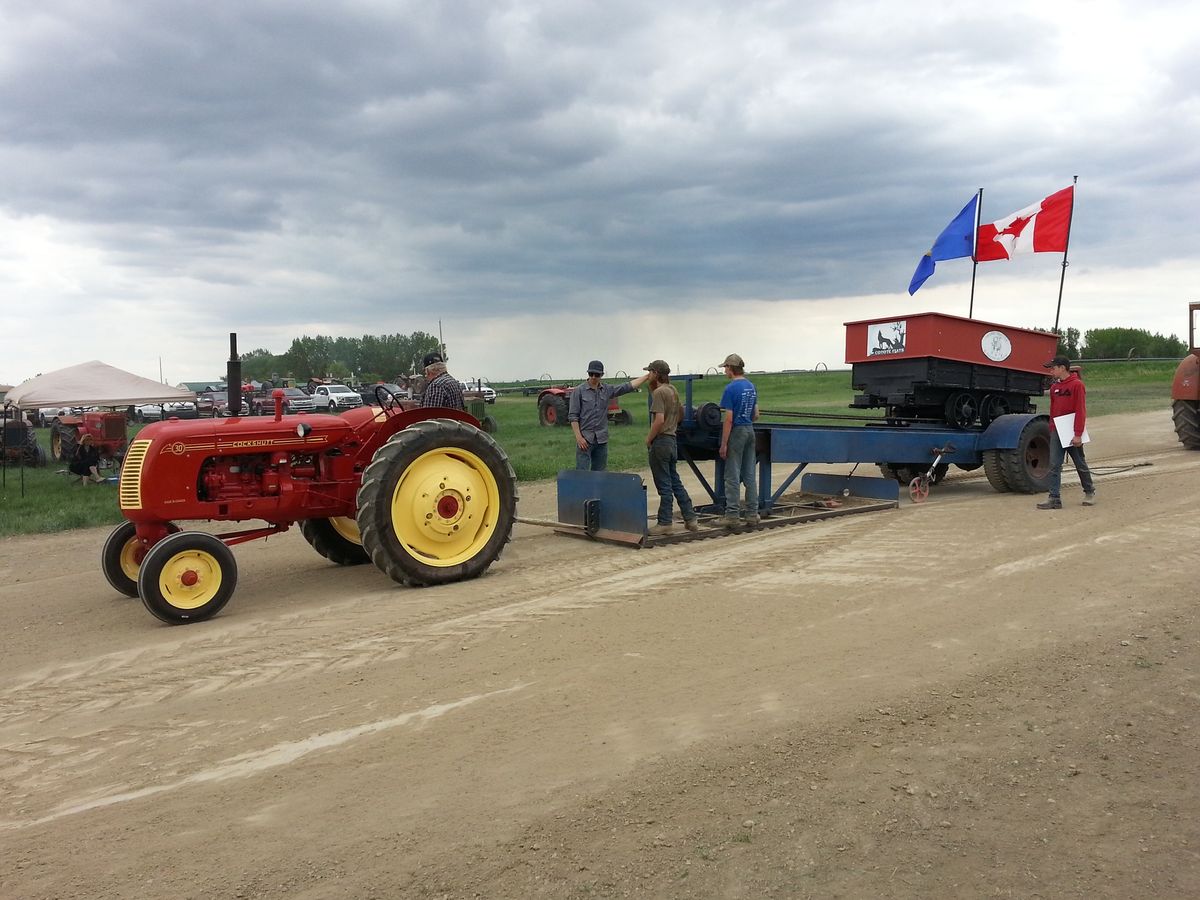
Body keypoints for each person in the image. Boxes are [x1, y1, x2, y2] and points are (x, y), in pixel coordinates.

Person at [643, 360, 698, 535]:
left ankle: (665, 522)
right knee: (675, 482)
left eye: (650, 372)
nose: (648, 375)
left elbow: (658, 420)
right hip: (673, 441)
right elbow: (681, 413)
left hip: (661, 442)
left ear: (656, 373)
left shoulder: (659, 392)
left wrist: (649, 438)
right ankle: (690, 518)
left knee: (664, 485)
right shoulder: (672, 390)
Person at [1037, 354, 1096, 509]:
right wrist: (1052, 428)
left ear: (1062, 368)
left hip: (1071, 431)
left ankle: (1089, 491)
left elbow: (1080, 410)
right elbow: (1053, 410)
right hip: (1057, 430)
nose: (1051, 371)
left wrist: (1077, 433)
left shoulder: (1077, 385)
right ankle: (1054, 498)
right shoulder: (1055, 387)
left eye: (1053, 368)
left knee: (1079, 463)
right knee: (1054, 464)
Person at [568, 360, 651, 471]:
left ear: (601, 375)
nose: (593, 377)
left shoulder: (606, 390)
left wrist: (647, 376)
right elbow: (573, 416)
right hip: (585, 439)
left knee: (600, 475)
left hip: (601, 439)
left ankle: (597, 489)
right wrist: (579, 438)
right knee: (582, 474)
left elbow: (626, 387)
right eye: (590, 374)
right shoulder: (578, 391)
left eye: (596, 374)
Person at [717, 353, 761, 527]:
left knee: (732, 474)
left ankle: (732, 515)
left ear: (731, 368)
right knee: (749, 474)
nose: (725, 371)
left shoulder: (730, 389)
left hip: (737, 431)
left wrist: (724, 443)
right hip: (750, 430)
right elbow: (756, 414)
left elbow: (728, 419)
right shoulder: (751, 386)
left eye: (725, 368)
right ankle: (752, 513)